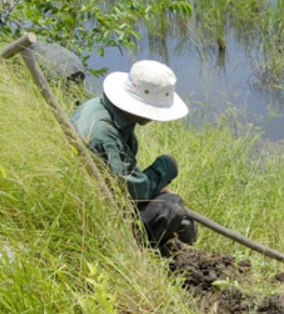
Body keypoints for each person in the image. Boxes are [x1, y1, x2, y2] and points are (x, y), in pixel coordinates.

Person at [71, 60, 197, 252]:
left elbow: (118, 172)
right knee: (172, 208)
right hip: (96, 209)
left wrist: (156, 187)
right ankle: (143, 253)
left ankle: (182, 253)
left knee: (183, 220)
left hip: (99, 194)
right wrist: (164, 169)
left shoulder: (103, 109)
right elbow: (131, 191)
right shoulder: (102, 132)